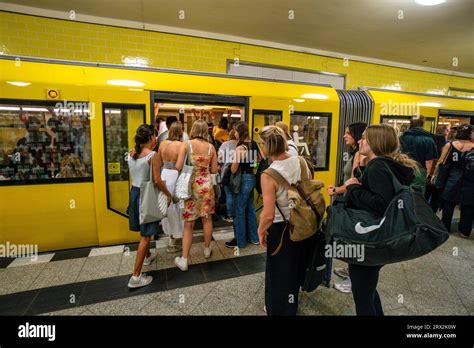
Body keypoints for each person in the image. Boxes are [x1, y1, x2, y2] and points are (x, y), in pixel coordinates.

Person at [344, 124, 417, 315]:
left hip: (370, 238)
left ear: (375, 142)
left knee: (362, 295)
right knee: (367, 290)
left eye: (365, 138)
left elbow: (379, 203)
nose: (360, 140)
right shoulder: (385, 164)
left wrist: (353, 187)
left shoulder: (378, 166)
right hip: (379, 237)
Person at [257, 125, 313, 315]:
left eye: (261, 144)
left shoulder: (268, 175)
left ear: (267, 146)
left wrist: (261, 231)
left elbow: (269, 214)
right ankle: (291, 305)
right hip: (305, 225)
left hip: (282, 229)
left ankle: (277, 309)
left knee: (278, 272)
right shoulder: (301, 161)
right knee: (296, 268)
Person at [127, 125, 172, 288]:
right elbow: (157, 180)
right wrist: (168, 194)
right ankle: (136, 278)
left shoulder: (131, 154)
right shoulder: (153, 155)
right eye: (154, 137)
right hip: (146, 196)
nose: (156, 139)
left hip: (134, 193)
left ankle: (147, 256)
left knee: (142, 230)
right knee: (146, 236)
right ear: (150, 139)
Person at [326, 122, 367, 294]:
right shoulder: (355, 153)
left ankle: (353, 280)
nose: (344, 136)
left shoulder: (359, 154)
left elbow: (352, 183)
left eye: (348, 133)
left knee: (353, 239)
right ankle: (350, 271)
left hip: (353, 201)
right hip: (351, 199)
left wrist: (335, 190)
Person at [174, 119, 219, 271]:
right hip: (206, 185)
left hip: (190, 186)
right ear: (206, 131)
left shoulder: (186, 145)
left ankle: (184, 259)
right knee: (207, 219)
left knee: (189, 224)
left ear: (193, 130)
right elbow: (214, 170)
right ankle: (207, 249)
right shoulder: (211, 147)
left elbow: (179, 166)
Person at [225, 122, 261, 249]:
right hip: (251, 178)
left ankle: (240, 241)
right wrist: (250, 165)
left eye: (235, 131)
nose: (234, 133)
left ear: (240, 132)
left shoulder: (240, 148)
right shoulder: (254, 143)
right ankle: (254, 238)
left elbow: (234, 169)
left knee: (239, 211)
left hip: (242, 180)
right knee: (250, 209)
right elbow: (259, 159)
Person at [436, 124, 474, 238]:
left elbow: (441, 162)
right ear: (470, 134)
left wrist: (436, 175)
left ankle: (445, 226)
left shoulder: (450, 145)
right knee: (468, 205)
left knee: (449, 202)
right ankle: (464, 231)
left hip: (453, 177)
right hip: (470, 179)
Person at [157, 121, 185, 253]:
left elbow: (158, 162)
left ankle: (170, 237)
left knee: (166, 207)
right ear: (181, 132)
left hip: (164, 175)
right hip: (176, 175)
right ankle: (176, 237)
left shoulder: (162, 144)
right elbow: (181, 166)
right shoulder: (182, 145)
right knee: (177, 207)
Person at [399, 115, 437, 195]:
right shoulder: (428, 139)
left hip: (402, 169)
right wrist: (428, 175)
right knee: (417, 197)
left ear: (411, 123)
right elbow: (429, 161)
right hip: (420, 171)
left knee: (402, 194)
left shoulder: (402, 137)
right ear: (423, 123)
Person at [426, 125, 449, 211]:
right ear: (445, 131)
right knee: (435, 197)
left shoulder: (431, 139)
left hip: (430, 171)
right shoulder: (445, 143)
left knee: (426, 194)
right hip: (439, 173)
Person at [218, 129, 238, 222]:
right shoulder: (241, 145)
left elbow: (220, 159)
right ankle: (238, 214)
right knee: (236, 194)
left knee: (229, 194)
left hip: (227, 172)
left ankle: (230, 215)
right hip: (238, 173)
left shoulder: (225, 145)